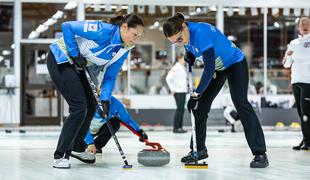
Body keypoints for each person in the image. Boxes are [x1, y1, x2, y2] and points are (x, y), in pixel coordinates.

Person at [163, 13, 268, 168]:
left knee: (240, 102)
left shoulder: (201, 32)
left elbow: (209, 67)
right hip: (219, 68)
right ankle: (198, 149)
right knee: (200, 106)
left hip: (234, 63)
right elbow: (194, 50)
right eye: (175, 42)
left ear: (184, 26)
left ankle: (260, 153)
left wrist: (196, 93)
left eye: (179, 39)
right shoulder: (185, 36)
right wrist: (190, 55)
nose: (179, 43)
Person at [47, 14, 144, 169]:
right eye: (135, 34)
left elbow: (110, 76)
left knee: (92, 105)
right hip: (62, 58)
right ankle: (60, 155)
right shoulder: (102, 30)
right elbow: (67, 26)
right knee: (79, 107)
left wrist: (105, 100)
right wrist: (74, 54)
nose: (136, 39)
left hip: (79, 66)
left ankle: (78, 147)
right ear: (124, 27)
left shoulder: (124, 48)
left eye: (139, 36)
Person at [83, 96, 148, 154]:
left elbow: (127, 119)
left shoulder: (115, 103)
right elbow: (82, 124)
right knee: (79, 146)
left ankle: (97, 146)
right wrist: (90, 142)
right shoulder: (87, 102)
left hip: (98, 128)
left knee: (115, 123)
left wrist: (139, 131)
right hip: (83, 131)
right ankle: (87, 145)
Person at [282, 16, 310, 151]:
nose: (305, 25)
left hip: (308, 81)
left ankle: (308, 141)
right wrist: (288, 55)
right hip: (296, 81)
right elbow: (286, 64)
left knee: (306, 113)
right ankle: (305, 139)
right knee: (300, 113)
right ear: (298, 27)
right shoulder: (293, 43)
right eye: (302, 23)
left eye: (307, 23)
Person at [166, 54, 188, 133]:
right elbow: (168, 78)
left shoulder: (182, 67)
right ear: (179, 59)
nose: (184, 60)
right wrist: (172, 89)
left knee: (182, 109)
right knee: (179, 109)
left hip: (183, 90)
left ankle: (180, 127)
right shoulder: (176, 67)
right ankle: (176, 127)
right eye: (183, 58)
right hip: (178, 91)